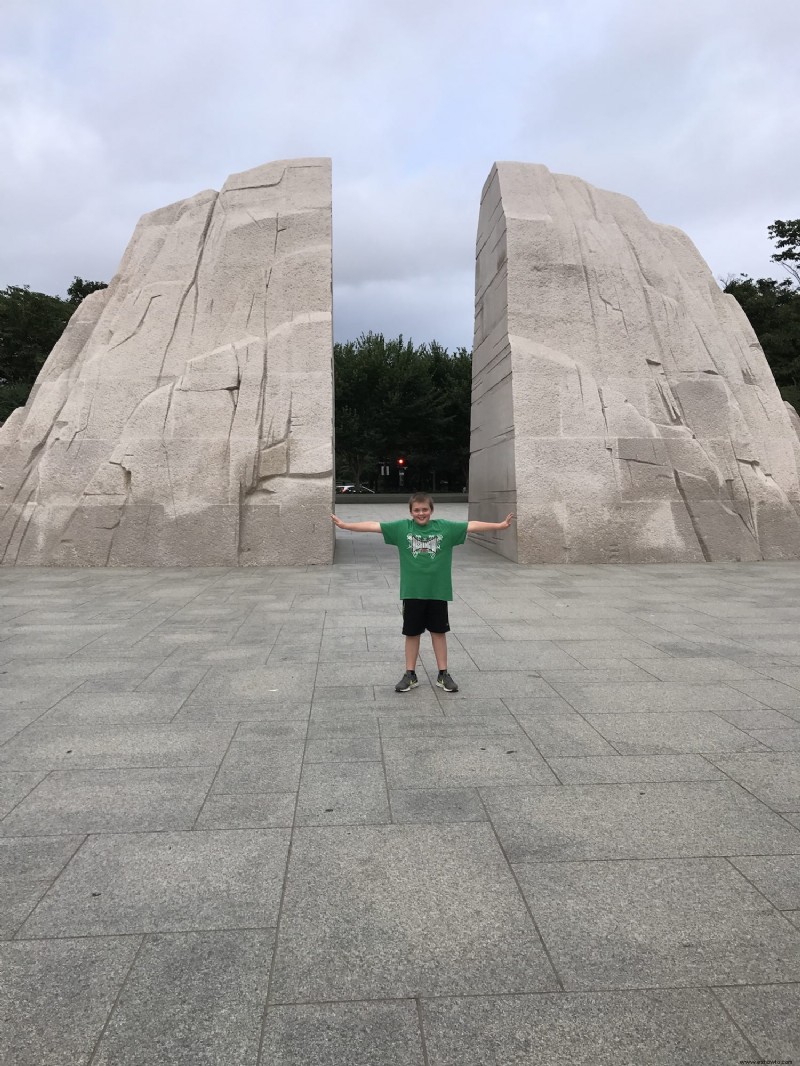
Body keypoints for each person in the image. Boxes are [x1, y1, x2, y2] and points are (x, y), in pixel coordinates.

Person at [331, 493, 514, 693]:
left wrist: (499, 526)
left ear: (431, 510)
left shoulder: (445, 527)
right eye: (417, 510)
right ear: (411, 512)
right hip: (412, 592)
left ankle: (443, 674)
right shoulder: (402, 528)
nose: (421, 513)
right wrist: (345, 525)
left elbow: (471, 525)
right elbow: (374, 526)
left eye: (425, 509)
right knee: (412, 633)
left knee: (439, 632)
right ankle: (410, 674)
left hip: (438, 591)